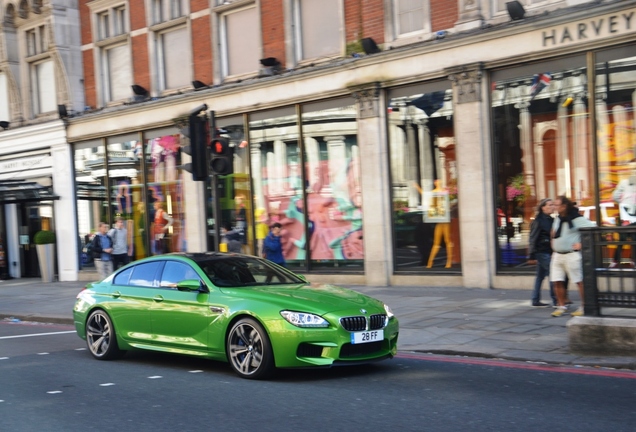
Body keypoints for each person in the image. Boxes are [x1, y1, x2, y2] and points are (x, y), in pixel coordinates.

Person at [550, 196, 595, 317]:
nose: (554, 207)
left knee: (579, 281)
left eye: (557, 205)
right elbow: (553, 233)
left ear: (564, 206)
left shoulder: (577, 218)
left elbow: (593, 229)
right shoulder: (558, 219)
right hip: (557, 255)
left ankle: (584, 306)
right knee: (557, 281)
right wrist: (553, 243)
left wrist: (582, 244)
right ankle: (561, 306)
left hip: (571, 254)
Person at [527, 198, 557, 307]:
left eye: (553, 204)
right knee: (552, 274)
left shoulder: (551, 220)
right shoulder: (538, 221)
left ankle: (535, 300)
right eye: (549, 205)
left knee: (540, 276)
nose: (552, 206)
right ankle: (556, 300)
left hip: (548, 251)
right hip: (541, 251)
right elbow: (533, 237)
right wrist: (531, 254)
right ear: (543, 207)